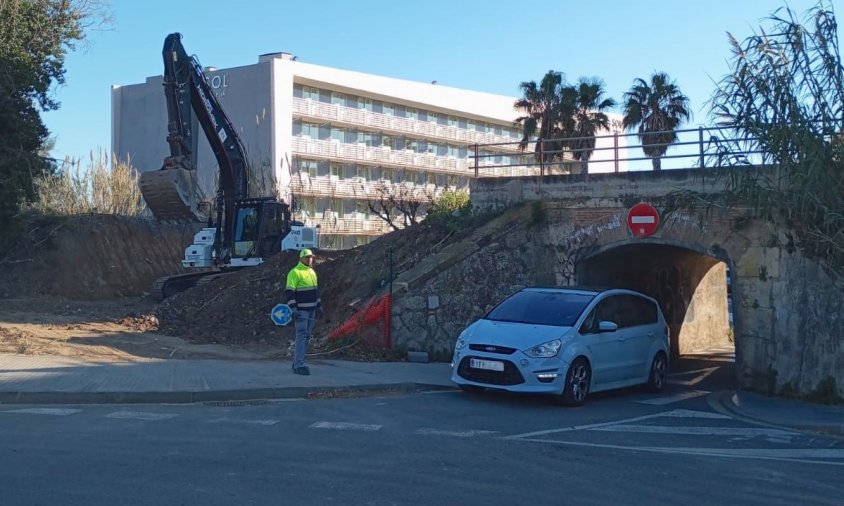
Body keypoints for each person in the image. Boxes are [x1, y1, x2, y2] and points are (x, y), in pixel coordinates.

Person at [285, 248, 322, 375]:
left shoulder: (312, 272)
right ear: (301, 258)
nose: (310, 259)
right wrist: (293, 308)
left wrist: (319, 305)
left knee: (305, 337)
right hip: (302, 311)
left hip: (311, 310)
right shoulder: (294, 272)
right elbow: (289, 293)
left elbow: (315, 291)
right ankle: (298, 365)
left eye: (311, 257)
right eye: (307, 257)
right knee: (301, 336)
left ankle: (297, 362)